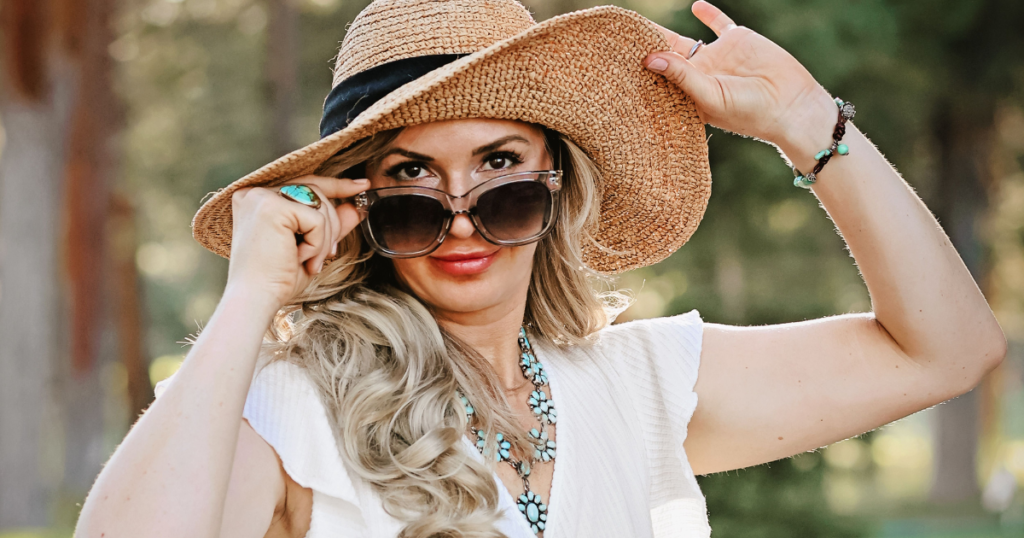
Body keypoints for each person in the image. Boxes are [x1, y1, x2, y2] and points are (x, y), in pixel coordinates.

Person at [75, 0, 1006, 537]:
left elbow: (947, 352)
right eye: (410, 180)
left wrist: (809, 125)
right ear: (354, 206)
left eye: (501, 170)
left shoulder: (637, 383)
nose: (461, 216)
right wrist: (251, 298)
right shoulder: (288, 407)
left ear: (557, 186)